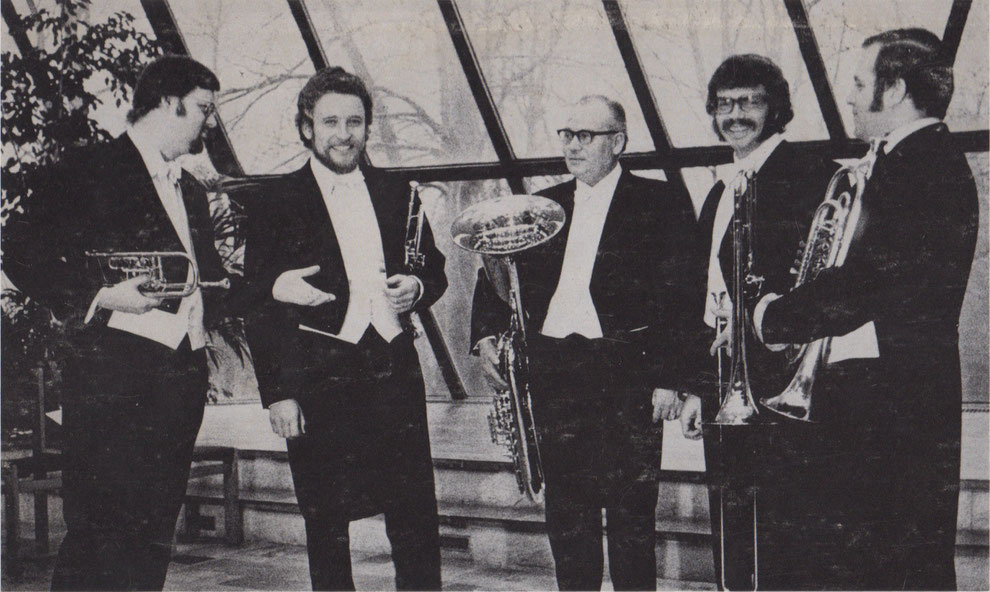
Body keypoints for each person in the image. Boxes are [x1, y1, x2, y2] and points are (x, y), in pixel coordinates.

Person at [751, 29, 978, 589]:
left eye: (858, 84)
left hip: (896, 404)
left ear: (895, 89)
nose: (850, 97)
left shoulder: (925, 166)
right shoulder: (898, 162)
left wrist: (774, 316)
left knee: (895, 562)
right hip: (878, 398)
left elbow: (863, 284)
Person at [2, 56, 229, 590]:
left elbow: (210, 280)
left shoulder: (192, 190)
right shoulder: (89, 169)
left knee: (153, 530)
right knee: (100, 529)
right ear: (169, 103)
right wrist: (103, 295)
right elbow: (18, 249)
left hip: (180, 376)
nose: (209, 123)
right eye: (203, 108)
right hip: (111, 378)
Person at [470, 95, 702, 591]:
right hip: (553, 372)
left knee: (632, 519)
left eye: (586, 136)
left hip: (628, 375)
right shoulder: (542, 206)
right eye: (567, 134)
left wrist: (672, 379)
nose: (572, 146)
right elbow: (491, 266)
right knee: (567, 518)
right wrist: (485, 335)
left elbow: (684, 297)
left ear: (617, 142)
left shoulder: (660, 202)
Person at [240, 66, 446, 591]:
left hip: (393, 368)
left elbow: (436, 270)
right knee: (326, 521)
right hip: (318, 376)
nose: (344, 133)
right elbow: (258, 304)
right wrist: (277, 395)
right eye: (330, 121)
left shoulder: (397, 191)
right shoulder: (275, 201)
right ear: (307, 127)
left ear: (367, 127)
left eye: (354, 121)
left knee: (415, 514)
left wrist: (417, 289)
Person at [677, 54, 838, 590]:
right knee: (731, 516)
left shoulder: (809, 174)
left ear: (776, 108)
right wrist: (699, 387)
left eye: (749, 101)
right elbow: (702, 300)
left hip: (779, 377)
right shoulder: (722, 191)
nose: (735, 114)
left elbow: (817, 278)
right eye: (724, 104)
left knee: (786, 525)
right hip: (726, 377)